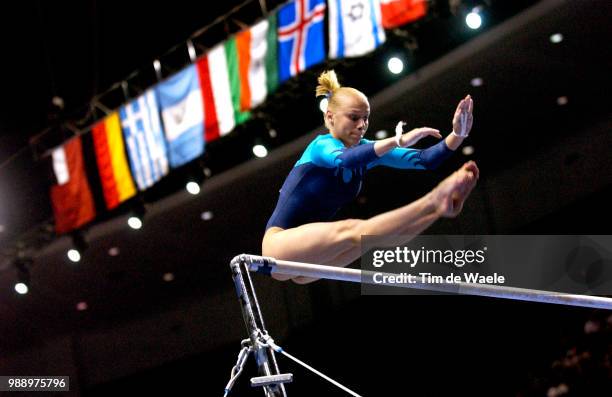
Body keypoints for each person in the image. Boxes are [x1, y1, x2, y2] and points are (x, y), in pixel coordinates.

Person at [262, 70, 478, 284]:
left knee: (372, 239)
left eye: (365, 118)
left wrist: (457, 135)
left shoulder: (367, 151)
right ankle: (432, 199)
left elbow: (424, 159)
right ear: (330, 116)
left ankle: (438, 209)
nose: (362, 125)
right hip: (279, 246)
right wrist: (395, 141)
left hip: (307, 266)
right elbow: (345, 160)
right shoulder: (321, 146)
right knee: (352, 230)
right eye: (354, 117)